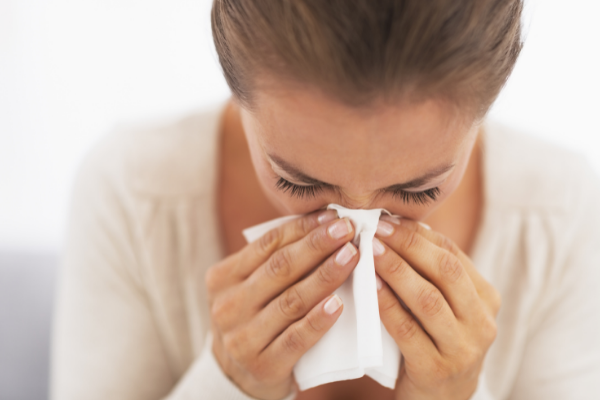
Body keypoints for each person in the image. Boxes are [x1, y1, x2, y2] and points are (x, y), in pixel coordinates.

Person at [50, 1, 600, 399]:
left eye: (417, 190)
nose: (354, 228)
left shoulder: (559, 212)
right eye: (297, 183)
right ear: (237, 92)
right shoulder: (133, 191)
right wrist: (225, 385)